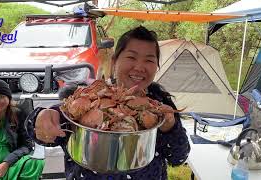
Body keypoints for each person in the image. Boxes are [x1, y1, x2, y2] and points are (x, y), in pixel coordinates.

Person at [26, 26, 190, 180]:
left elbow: (179, 158)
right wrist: (42, 117)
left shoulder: (160, 103)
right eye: (131, 57)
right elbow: (43, 132)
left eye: (149, 60)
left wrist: (170, 127)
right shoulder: (90, 95)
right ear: (114, 61)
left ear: (157, 66)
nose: (140, 67)